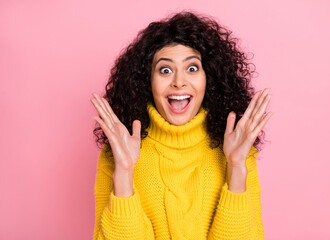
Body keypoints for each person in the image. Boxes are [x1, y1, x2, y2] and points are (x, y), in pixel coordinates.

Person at [90, 10, 272, 240]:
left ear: (210, 78)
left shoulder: (238, 150)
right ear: (148, 81)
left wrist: (236, 167)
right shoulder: (118, 152)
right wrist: (124, 173)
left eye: (192, 68)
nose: (178, 82)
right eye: (165, 70)